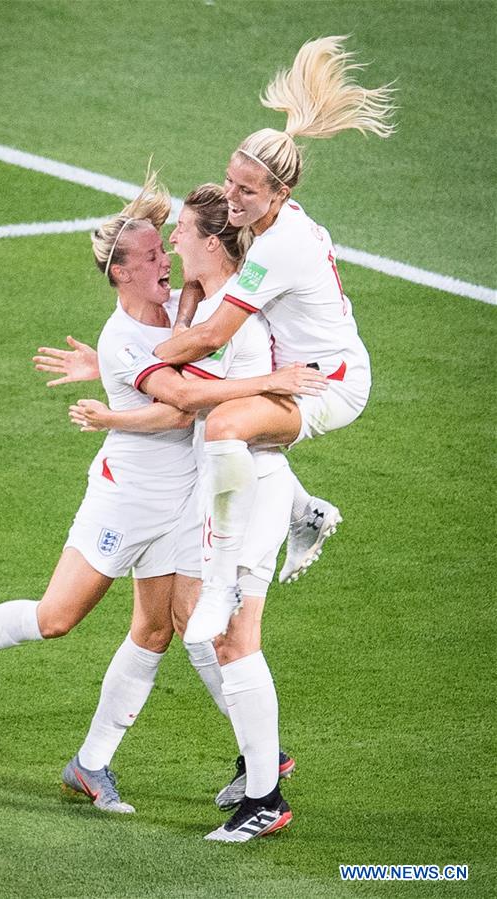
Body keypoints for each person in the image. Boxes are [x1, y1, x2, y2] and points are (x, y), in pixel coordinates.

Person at [0, 173, 321, 818]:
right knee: (56, 618)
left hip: (185, 500)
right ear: (121, 273)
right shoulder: (122, 336)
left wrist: (112, 379)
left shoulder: (181, 311)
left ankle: (101, 764)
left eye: (165, 248)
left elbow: (194, 326)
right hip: (127, 499)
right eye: (151, 256)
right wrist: (268, 382)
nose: (166, 260)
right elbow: (180, 406)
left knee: (170, 627)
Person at [40, 183, 331, 841]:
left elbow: (181, 395)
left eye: (182, 235)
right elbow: (178, 344)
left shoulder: (227, 325)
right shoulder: (215, 306)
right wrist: (112, 360)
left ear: (211, 244)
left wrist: (116, 387)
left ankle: (266, 793)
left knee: (225, 638)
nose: (172, 244)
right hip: (227, 487)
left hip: (243, 493)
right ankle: (259, 772)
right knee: (194, 626)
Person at [148, 36, 395, 644]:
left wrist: (150, 358)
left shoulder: (280, 245)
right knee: (230, 422)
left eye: (245, 191)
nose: (230, 199)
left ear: (280, 194)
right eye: (230, 182)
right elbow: (203, 278)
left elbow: (212, 335)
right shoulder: (265, 222)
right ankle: (304, 510)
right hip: (299, 365)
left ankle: (221, 581)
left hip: (329, 384)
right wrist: (182, 313)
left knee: (226, 426)